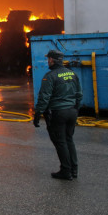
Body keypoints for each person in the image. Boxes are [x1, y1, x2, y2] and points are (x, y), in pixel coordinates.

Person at [34, 49, 83, 180]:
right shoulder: (72, 74)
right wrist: (75, 109)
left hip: (58, 113)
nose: (47, 61)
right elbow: (79, 94)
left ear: (51, 60)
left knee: (60, 142)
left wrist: (38, 114)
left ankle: (66, 171)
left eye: (48, 59)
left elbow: (44, 97)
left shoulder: (50, 76)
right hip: (72, 112)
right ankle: (74, 170)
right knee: (69, 140)